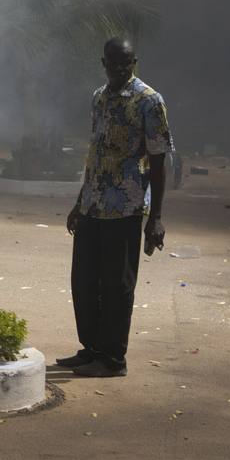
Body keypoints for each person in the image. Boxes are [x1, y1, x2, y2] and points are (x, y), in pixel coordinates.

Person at [61, 37, 172, 378]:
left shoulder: (149, 101)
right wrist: (80, 202)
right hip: (93, 205)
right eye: (114, 63)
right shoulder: (99, 98)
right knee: (84, 281)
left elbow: (158, 160)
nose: (120, 69)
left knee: (116, 285)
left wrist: (156, 217)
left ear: (134, 61)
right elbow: (95, 155)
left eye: (126, 63)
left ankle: (113, 359)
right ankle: (91, 348)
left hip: (126, 206)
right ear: (104, 63)